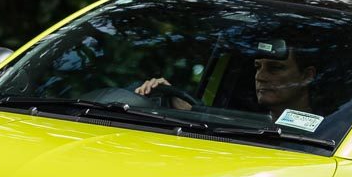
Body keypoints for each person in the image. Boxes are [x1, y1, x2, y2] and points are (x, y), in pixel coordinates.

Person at [135, 39, 319, 118]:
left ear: (307, 76)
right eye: (257, 67)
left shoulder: (331, 133)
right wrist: (174, 100)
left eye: (275, 68)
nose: (261, 76)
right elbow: (210, 121)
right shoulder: (238, 123)